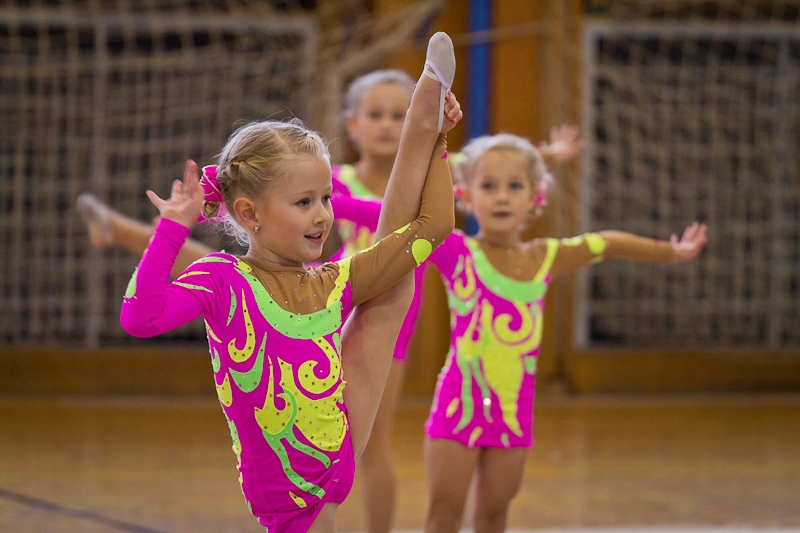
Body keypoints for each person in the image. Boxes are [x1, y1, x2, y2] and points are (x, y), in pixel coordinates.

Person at [119, 32, 461, 533]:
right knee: (390, 292)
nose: (323, 215)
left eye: (325, 199)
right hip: (285, 488)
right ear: (248, 213)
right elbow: (140, 318)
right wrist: (172, 228)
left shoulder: (332, 281)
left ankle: (421, 122)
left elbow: (434, 228)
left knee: (394, 286)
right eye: (304, 203)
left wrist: (438, 141)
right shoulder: (222, 280)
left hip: (337, 451)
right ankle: (420, 119)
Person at [421, 133, 708, 533]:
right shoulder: (456, 251)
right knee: (443, 518)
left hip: (512, 413)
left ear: (535, 197)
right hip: (458, 406)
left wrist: (670, 252)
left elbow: (606, 243)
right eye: (488, 186)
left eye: (514, 186)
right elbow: (402, 199)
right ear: (465, 196)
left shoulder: (546, 257)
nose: (502, 197)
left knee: (494, 518)